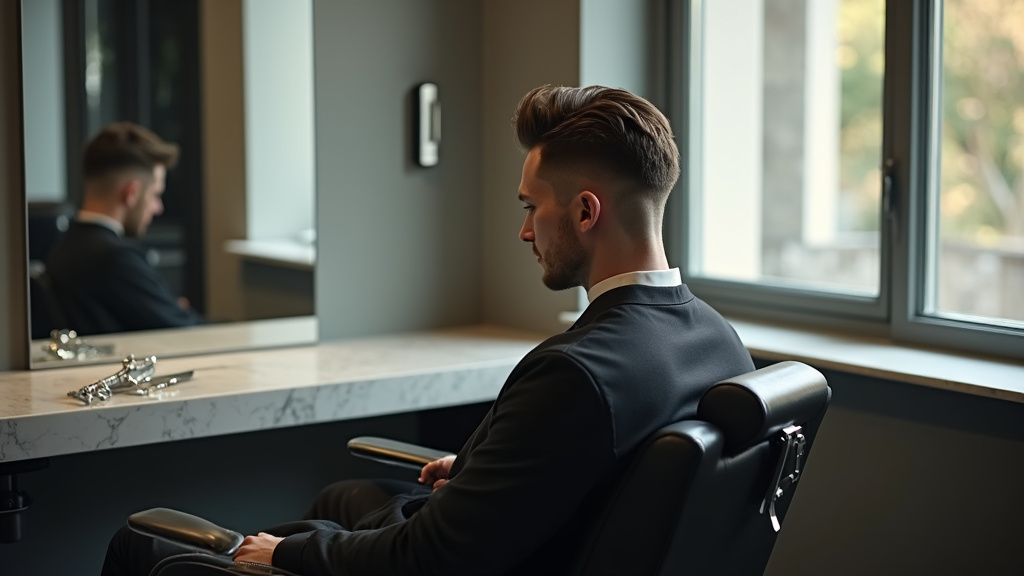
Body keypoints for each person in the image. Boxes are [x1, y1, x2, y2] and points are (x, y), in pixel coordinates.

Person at [100, 86, 754, 575]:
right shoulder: (720, 342)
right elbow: (581, 467)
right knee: (345, 496)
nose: (524, 231)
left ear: (586, 212)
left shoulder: (576, 373)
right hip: (531, 543)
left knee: (142, 544)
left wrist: (286, 555)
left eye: (532, 207)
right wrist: (482, 469)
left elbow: (433, 557)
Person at [44, 122, 203, 336]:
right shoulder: (114, 260)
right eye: (155, 195)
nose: (158, 208)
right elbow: (184, 330)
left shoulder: (64, 248)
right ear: (132, 193)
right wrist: (175, 311)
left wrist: (166, 307)